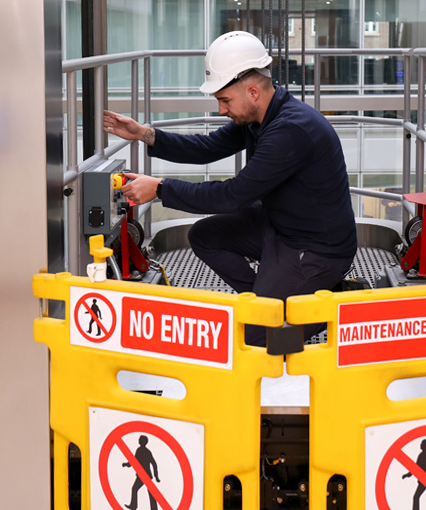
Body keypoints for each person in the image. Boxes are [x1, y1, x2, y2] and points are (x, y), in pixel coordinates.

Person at [103, 30, 357, 345]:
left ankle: (327, 306)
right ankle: (272, 301)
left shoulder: (291, 130)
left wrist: (161, 189)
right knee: (205, 236)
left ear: (252, 91)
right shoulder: (258, 118)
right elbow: (207, 147)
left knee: (260, 338)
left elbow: (233, 195)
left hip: (316, 249)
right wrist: (145, 134)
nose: (222, 110)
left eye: (224, 100)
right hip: (281, 227)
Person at [122, 435, 160, 510]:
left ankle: (134, 505)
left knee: (136, 489)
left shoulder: (141, 450)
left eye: (140, 439)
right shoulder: (144, 451)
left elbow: (153, 463)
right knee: (146, 491)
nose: (138, 440)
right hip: (144, 475)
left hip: (144, 475)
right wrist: (127, 464)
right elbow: (134, 461)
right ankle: (152, 508)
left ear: (143, 441)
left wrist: (156, 476)